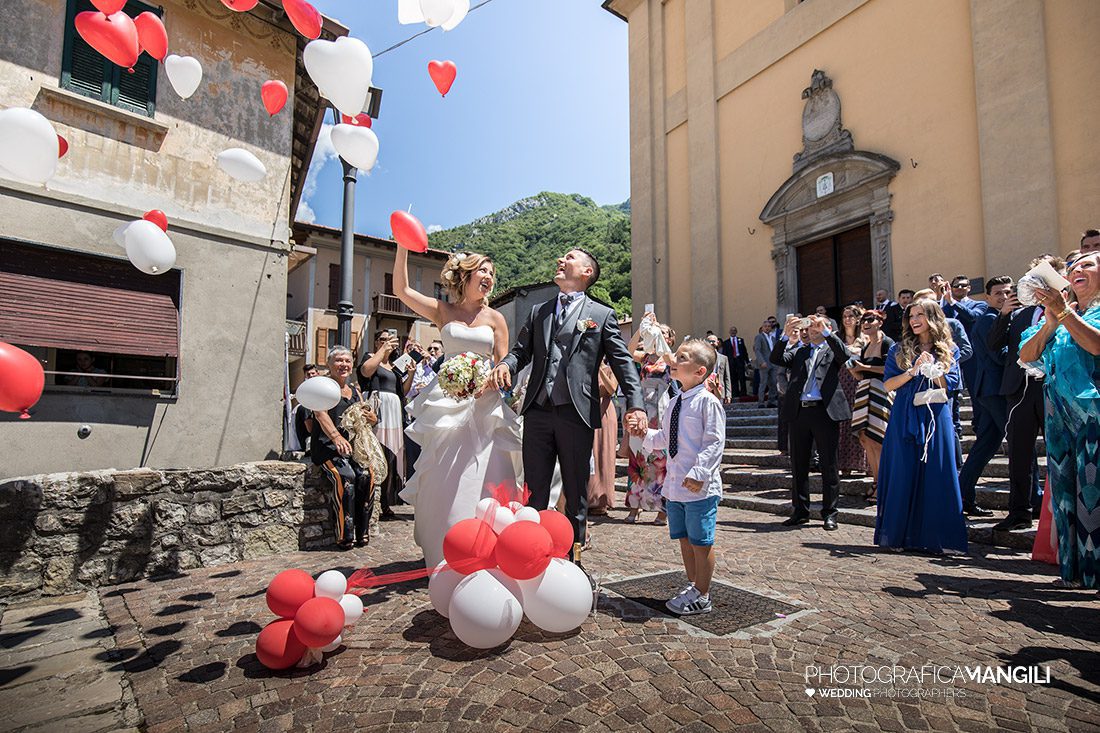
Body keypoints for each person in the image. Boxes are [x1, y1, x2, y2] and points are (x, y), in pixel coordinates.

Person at [493, 249, 647, 557]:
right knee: (533, 492)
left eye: (569, 257)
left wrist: (636, 403)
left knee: (576, 496)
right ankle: (530, 557)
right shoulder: (539, 311)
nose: (560, 261)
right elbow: (521, 351)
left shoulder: (601, 315)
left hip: (576, 414)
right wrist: (507, 365)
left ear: (587, 272)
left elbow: (622, 363)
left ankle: (572, 561)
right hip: (537, 411)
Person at [391, 247, 522, 568]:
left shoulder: (496, 318)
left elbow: (505, 362)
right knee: (443, 475)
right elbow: (401, 290)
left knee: (487, 473)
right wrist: (402, 247)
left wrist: (494, 377)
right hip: (448, 404)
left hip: (485, 406)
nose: (489, 277)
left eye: (492, 272)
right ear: (465, 276)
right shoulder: (442, 310)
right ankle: (444, 547)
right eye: (483, 271)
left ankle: (491, 545)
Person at [1020, 252, 1100, 589]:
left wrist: (1063, 313)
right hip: (1058, 414)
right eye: (1073, 267)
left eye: (1088, 265)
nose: (1077, 269)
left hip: (1094, 412)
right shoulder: (1059, 315)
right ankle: (1074, 570)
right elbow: (1026, 354)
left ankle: (1095, 571)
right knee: (1065, 493)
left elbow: (1096, 345)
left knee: (1094, 490)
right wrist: (1052, 322)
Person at [640, 340, 726, 616]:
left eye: (682, 357)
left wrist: (700, 472)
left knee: (701, 542)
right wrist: (643, 434)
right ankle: (692, 585)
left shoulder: (707, 403)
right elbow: (666, 438)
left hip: (699, 487)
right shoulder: (676, 401)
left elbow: (714, 442)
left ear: (700, 372)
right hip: (676, 485)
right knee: (685, 539)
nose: (674, 359)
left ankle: (703, 593)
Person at [875, 300, 967, 554]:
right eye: (911, 315)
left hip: (936, 414)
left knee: (938, 471)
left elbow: (951, 384)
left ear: (933, 317)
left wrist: (934, 370)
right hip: (904, 413)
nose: (914, 320)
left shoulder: (949, 349)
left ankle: (940, 538)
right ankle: (898, 535)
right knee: (903, 472)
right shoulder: (899, 348)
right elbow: (888, 385)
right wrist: (913, 371)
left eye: (920, 315)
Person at [990, 256, 1065, 530]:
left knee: (1058, 451)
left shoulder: (1067, 309)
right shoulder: (1020, 313)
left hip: (1053, 387)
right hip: (1019, 390)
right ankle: (1019, 511)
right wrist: (1004, 315)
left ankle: (1059, 514)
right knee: (1019, 454)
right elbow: (994, 344)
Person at [771, 314, 851, 530]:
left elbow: (845, 356)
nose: (811, 328)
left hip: (824, 413)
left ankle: (830, 513)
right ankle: (800, 511)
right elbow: (777, 358)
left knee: (829, 464)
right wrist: (785, 336)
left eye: (817, 325)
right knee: (798, 464)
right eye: (810, 325)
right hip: (799, 412)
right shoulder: (800, 351)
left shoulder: (831, 349)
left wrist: (826, 330)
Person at [957, 276, 1014, 518]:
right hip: (995, 391)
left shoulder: (996, 318)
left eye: (1007, 292)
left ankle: (963, 495)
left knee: (984, 446)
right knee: (1020, 445)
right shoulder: (990, 318)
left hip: (989, 390)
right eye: (998, 293)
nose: (1003, 296)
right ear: (988, 297)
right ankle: (1032, 498)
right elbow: (999, 356)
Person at [311, 346, 376, 549]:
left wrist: (373, 418)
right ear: (329, 364)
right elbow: (320, 414)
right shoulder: (322, 386)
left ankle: (361, 532)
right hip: (328, 446)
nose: (344, 365)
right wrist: (336, 436)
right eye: (339, 360)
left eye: (347, 361)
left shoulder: (355, 390)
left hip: (353, 448)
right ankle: (344, 534)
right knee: (346, 477)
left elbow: (365, 415)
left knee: (366, 475)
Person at [622, 313, 676, 523]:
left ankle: (663, 510)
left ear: (669, 339)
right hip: (643, 404)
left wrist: (659, 339)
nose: (657, 335)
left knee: (660, 460)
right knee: (638, 457)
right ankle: (635, 507)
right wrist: (641, 328)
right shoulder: (644, 357)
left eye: (663, 333)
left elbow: (671, 360)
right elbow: (626, 352)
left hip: (661, 406)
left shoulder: (671, 357)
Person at [359, 331, 407, 520]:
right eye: (383, 339)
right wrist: (382, 351)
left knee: (392, 455)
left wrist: (410, 374)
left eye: (390, 340)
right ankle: (372, 501)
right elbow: (365, 371)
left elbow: (402, 391)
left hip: (394, 411)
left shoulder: (394, 366)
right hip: (379, 409)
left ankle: (387, 501)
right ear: (376, 342)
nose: (387, 343)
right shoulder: (371, 357)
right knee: (377, 451)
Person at [849, 310, 894, 503]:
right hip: (864, 391)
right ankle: (876, 481)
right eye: (863, 320)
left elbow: (889, 369)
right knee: (866, 439)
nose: (865, 323)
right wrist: (853, 370)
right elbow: (860, 375)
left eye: (870, 319)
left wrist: (864, 368)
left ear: (880, 322)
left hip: (881, 392)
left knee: (879, 439)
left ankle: (884, 484)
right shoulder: (866, 346)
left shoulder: (887, 343)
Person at [836, 304, 868, 475]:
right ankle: (845, 465)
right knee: (844, 422)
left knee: (861, 420)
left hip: (860, 381)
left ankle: (866, 464)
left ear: (857, 319)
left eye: (851, 316)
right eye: (845, 316)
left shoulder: (865, 338)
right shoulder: (837, 337)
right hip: (841, 381)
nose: (847, 319)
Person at [587, 361, 619, 518]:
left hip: (604, 411)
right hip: (587, 409)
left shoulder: (611, 367)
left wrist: (599, 370)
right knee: (590, 454)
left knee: (604, 454)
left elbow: (611, 389)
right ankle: (588, 498)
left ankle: (602, 500)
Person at [293, 363, 322, 455]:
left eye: (313, 373)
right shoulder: (304, 407)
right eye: (308, 374)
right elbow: (311, 429)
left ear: (317, 373)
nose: (311, 376)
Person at [753, 319, 781, 407]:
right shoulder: (759, 337)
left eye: (769, 326)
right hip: (764, 363)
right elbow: (757, 350)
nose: (767, 328)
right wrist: (761, 361)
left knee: (773, 382)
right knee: (763, 383)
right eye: (765, 326)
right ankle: (761, 402)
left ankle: (771, 401)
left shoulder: (772, 338)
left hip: (773, 363)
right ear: (762, 328)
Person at [721, 326, 749, 398]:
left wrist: (747, 361)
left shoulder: (740, 340)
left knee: (742, 378)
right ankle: (734, 394)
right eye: (731, 331)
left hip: (739, 361)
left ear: (736, 332)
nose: (733, 332)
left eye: (734, 330)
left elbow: (744, 352)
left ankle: (743, 394)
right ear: (729, 332)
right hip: (731, 362)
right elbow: (725, 353)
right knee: (733, 378)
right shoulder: (726, 342)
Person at [705, 334, 733, 405]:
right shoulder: (702, 359)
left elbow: (727, 378)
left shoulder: (724, 358)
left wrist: (728, 395)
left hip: (720, 390)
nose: (711, 343)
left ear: (717, 342)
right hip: (706, 390)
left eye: (713, 341)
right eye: (709, 341)